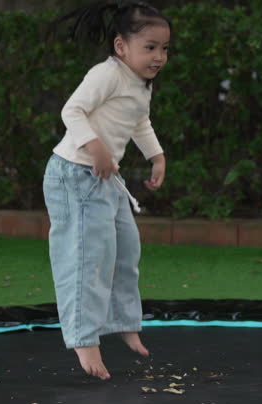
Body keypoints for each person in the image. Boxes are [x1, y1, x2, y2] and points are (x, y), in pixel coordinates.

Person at [43, 2, 170, 380]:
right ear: (121, 47)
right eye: (150, 47)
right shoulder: (107, 75)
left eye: (164, 48)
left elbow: (138, 120)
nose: (159, 56)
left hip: (103, 180)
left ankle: (122, 323)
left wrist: (157, 156)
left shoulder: (139, 82)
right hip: (75, 175)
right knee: (87, 258)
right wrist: (96, 147)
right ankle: (84, 339)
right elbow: (72, 111)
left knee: (125, 252)